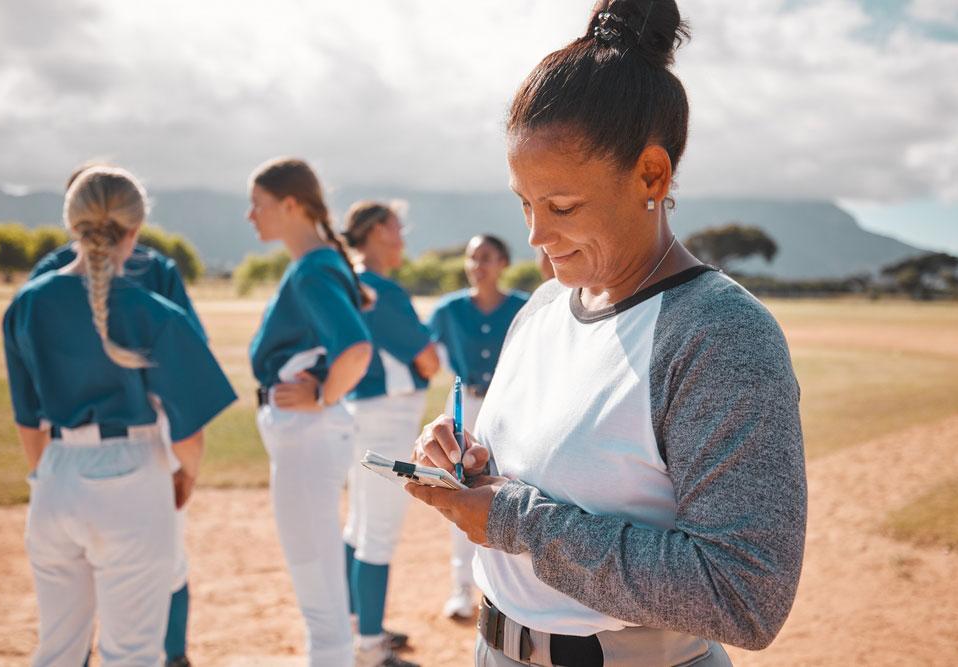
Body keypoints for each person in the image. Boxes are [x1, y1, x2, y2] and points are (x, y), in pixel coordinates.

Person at [407, 1, 807, 665]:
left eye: (562, 206)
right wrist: (477, 470)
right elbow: (555, 475)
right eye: (525, 204)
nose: (535, 235)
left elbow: (744, 591)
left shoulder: (719, 334)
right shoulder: (541, 306)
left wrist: (513, 521)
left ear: (652, 174)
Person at [3, 166, 236, 666]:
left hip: (56, 474)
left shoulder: (26, 303)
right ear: (136, 228)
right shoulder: (154, 310)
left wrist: (44, 475)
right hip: (132, 476)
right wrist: (186, 476)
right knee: (130, 654)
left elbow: (28, 421)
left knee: (57, 652)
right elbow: (189, 435)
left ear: (72, 223)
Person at [247, 157, 373, 667]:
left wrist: (321, 396)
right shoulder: (318, 263)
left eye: (257, 204)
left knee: (316, 581)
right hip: (308, 433)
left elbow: (356, 350)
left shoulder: (312, 268)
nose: (250, 216)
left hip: (308, 431)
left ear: (291, 204)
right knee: (316, 575)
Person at [340, 201, 439, 667]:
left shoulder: (343, 281)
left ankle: (357, 625)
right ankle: (371, 647)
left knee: (359, 525)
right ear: (377, 231)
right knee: (376, 531)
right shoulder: (378, 289)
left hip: (356, 410)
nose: (402, 236)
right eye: (397, 227)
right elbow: (428, 361)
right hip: (388, 414)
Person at [425, 235, 529, 619]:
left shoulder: (525, 307)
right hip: (466, 405)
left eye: (486, 257)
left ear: (503, 262)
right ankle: (461, 588)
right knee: (461, 489)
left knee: (513, 485)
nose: (477, 265)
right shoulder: (448, 309)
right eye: (471, 258)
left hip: (514, 405)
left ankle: (513, 590)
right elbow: (421, 354)